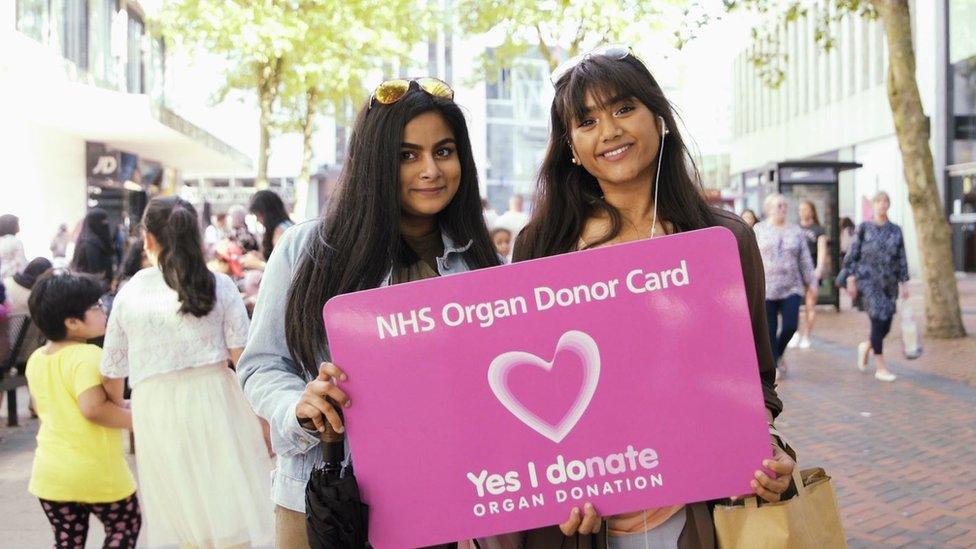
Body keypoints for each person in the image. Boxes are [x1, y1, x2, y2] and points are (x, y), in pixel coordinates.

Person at [512, 46, 795, 547]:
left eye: (624, 109)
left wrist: (765, 448)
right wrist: (550, 485)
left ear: (659, 118)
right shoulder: (540, 246)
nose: (610, 131)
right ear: (571, 147)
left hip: (698, 509)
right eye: (587, 121)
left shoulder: (724, 240)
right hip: (584, 522)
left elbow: (755, 379)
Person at [237, 77, 504, 548]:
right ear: (374, 163)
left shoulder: (479, 264)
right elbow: (261, 365)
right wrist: (299, 405)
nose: (430, 170)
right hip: (326, 506)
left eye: (444, 151)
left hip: (439, 507)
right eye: (407, 155)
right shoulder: (309, 250)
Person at [100, 196, 272, 547]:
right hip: (219, 401)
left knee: (177, 512)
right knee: (230, 506)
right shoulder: (220, 285)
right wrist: (266, 421)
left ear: (148, 239)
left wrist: (119, 404)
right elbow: (245, 361)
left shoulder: (130, 293)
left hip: (156, 409)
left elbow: (112, 371)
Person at [25, 270, 140, 549]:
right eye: (95, 306)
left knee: (67, 540)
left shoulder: (37, 359)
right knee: (124, 525)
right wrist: (139, 419)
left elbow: (40, 406)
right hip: (95, 472)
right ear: (72, 322)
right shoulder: (87, 356)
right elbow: (94, 409)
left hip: (51, 475)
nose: (103, 310)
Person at [837, 191, 908, 382]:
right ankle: (881, 367)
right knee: (877, 320)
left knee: (886, 325)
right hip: (868, 281)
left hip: (889, 283)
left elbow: (902, 257)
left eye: (886, 201)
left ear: (889, 205)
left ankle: (866, 346)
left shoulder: (896, 230)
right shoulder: (864, 228)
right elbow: (852, 255)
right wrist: (850, 277)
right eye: (879, 201)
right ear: (873, 205)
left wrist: (904, 281)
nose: (882, 205)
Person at [754, 193, 816, 375]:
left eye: (784, 205)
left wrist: (811, 282)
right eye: (778, 206)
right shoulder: (759, 229)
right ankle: (773, 365)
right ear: (769, 209)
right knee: (770, 330)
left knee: (790, 326)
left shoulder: (795, 230)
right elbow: (751, 257)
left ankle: (778, 354)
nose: (782, 209)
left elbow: (804, 259)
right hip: (767, 288)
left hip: (792, 287)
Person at [795, 200, 829, 349]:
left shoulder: (819, 230)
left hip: (811, 270)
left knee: (810, 304)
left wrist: (819, 269)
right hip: (795, 271)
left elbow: (822, 250)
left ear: (812, 211)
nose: (802, 212)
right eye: (800, 209)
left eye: (806, 209)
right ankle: (795, 333)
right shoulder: (794, 228)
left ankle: (807, 335)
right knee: (794, 304)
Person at [71, 209, 116, 285]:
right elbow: (94, 271)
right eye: (102, 222)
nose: (106, 224)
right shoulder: (89, 244)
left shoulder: (96, 241)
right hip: (91, 288)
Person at [249, 190, 293, 261]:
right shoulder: (285, 226)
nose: (258, 220)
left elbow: (281, 268)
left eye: (258, 215)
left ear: (267, 214)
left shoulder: (281, 231)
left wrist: (257, 264)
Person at [0, 214, 28, 280]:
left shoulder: (2, 240)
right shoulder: (15, 241)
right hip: (12, 279)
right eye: (17, 224)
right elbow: (22, 265)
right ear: (11, 226)